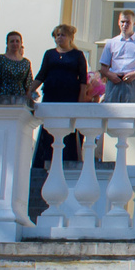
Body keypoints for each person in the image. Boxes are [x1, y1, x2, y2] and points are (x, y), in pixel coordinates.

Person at [36, 26, 91, 170]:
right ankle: (45, 159)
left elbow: (83, 81)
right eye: (57, 35)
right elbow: (41, 74)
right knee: (49, 128)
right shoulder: (49, 54)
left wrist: (80, 102)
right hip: (51, 96)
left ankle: (68, 159)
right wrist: (29, 90)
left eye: (63, 35)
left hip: (69, 97)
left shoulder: (78, 55)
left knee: (68, 130)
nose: (60, 38)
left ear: (70, 37)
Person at [100, 10, 135, 105]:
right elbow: (103, 68)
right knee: (111, 112)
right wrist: (110, 75)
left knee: (130, 112)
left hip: (132, 83)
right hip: (114, 82)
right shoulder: (111, 43)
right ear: (118, 22)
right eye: (122, 21)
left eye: (128, 22)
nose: (125, 25)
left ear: (134, 23)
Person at [0, 33, 36, 103]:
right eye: (12, 41)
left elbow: (28, 84)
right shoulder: (0, 59)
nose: (15, 43)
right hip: (2, 97)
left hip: (20, 99)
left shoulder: (26, 63)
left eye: (17, 41)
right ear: (7, 43)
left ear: (21, 43)